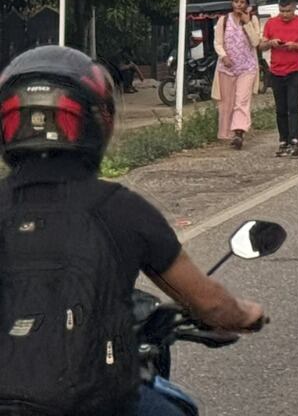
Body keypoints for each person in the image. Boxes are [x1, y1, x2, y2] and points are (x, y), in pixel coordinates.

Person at [0, 47, 267, 416]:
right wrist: (246, 313)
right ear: (97, 122)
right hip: (95, 401)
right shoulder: (121, 210)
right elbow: (209, 303)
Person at [260, 0, 298, 158]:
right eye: (282, 11)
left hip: (296, 70)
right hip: (276, 71)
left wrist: (295, 46)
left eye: (288, 11)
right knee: (280, 108)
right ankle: (283, 140)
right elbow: (261, 45)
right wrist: (271, 43)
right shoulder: (271, 23)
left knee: (293, 106)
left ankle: (294, 140)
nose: (285, 15)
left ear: (294, 8)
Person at [212, 0, 261, 150]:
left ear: (247, 4)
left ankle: (239, 133)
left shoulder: (252, 20)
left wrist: (247, 23)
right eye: (236, 1)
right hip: (227, 68)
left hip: (247, 67)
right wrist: (223, 56)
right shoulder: (223, 20)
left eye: (242, 2)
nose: (239, 5)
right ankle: (228, 132)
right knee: (227, 102)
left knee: (241, 100)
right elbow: (218, 42)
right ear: (232, 3)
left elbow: (255, 42)